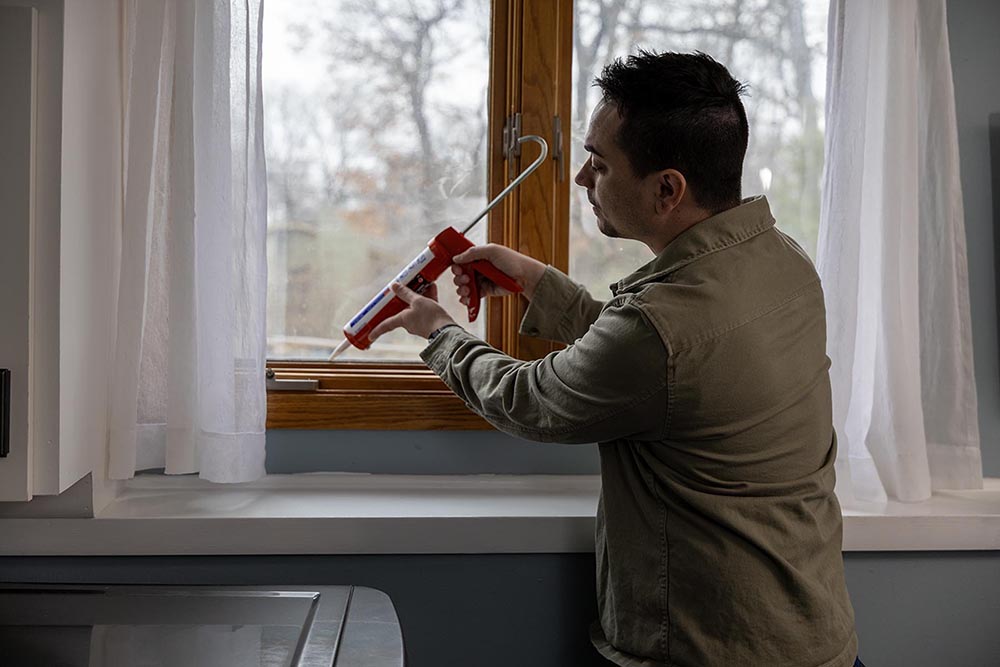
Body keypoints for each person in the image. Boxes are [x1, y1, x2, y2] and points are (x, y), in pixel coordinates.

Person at [369, 51, 859, 667]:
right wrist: (540, 284)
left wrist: (439, 331)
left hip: (712, 649)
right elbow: (674, 363)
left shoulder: (662, 326)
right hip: (814, 637)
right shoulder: (782, 261)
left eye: (598, 165)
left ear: (667, 188)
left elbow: (534, 400)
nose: (580, 179)